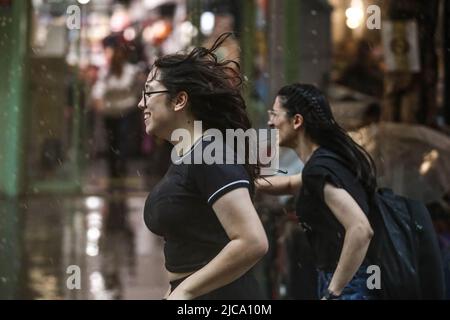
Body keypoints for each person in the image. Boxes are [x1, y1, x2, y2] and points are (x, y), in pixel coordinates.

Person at [137, 33, 268, 300]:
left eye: (149, 93)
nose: (141, 103)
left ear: (180, 100)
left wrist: (185, 290)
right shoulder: (190, 153)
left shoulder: (210, 154)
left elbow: (253, 241)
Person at [257, 83, 377, 300]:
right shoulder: (326, 161)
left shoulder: (319, 169)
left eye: (275, 114)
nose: (270, 122)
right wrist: (246, 183)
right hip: (358, 278)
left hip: (349, 283)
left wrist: (334, 292)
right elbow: (293, 183)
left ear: (297, 121)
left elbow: (360, 229)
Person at [92, 34, 140, 188]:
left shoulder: (129, 70)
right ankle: (115, 169)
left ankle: (120, 168)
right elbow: (99, 89)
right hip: (111, 113)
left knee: (122, 141)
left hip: (124, 112)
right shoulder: (106, 72)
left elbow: (133, 87)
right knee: (113, 142)